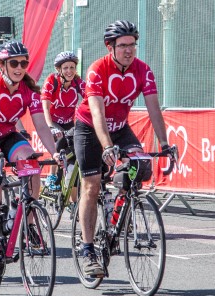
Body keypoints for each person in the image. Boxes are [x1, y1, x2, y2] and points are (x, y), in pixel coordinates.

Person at [74, 20, 172, 277]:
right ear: (110, 47)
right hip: (90, 129)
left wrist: (164, 143)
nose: (129, 50)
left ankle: (117, 217)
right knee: (92, 184)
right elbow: (96, 113)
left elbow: (153, 108)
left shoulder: (143, 70)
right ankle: (87, 249)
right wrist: (106, 147)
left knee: (141, 166)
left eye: (133, 45)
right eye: (123, 46)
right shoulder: (97, 70)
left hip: (119, 128)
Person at [0, 40, 59, 281]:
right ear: (1, 65)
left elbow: (41, 125)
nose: (20, 67)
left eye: (24, 63)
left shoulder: (29, 90)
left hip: (8, 135)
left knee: (32, 166)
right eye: (14, 63)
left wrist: (56, 152)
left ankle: (25, 218)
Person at [41, 51, 85, 200]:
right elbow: (45, 108)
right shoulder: (52, 81)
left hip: (68, 123)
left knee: (73, 154)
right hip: (52, 121)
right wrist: (51, 127)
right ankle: (51, 176)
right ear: (59, 69)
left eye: (72, 67)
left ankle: (73, 201)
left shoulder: (77, 82)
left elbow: (91, 98)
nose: (69, 71)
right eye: (65, 68)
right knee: (59, 143)